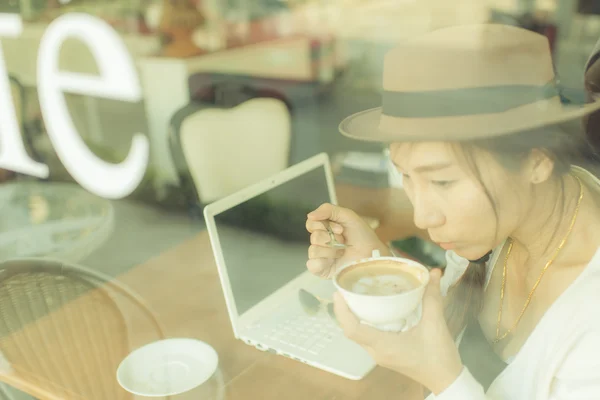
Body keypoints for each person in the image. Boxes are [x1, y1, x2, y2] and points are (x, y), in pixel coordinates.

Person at [305, 24, 600, 399]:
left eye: (443, 182)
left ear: (536, 163)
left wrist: (444, 380)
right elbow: (446, 324)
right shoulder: (502, 224)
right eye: (406, 176)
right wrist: (377, 264)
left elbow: (441, 361)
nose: (422, 218)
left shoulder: (591, 318)